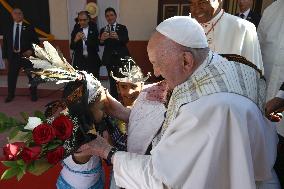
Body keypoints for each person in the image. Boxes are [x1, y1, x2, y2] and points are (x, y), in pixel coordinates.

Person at [77, 16, 278, 188]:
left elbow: (163, 179)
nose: (155, 73)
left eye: (157, 63)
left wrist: (106, 151)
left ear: (186, 61)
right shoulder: (226, 67)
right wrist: (119, 110)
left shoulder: (201, 111)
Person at [189, 0, 263, 73]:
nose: (196, 9)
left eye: (202, 2)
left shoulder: (243, 29)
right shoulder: (189, 27)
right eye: (192, 3)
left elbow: (253, 75)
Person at [2, 8, 39, 103]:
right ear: (12, 15)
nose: (18, 15)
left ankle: (33, 94)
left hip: (26, 56)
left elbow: (36, 42)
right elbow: (5, 43)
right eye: (15, 13)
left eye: (20, 13)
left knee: (31, 76)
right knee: (11, 77)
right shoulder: (8, 27)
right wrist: (5, 57)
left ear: (22, 15)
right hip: (13, 57)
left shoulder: (29, 27)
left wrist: (31, 50)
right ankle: (10, 95)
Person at [99, 7, 130, 100]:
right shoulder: (103, 29)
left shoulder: (122, 27)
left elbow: (126, 40)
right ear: (105, 18)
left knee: (123, 82)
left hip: (122, 59)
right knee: (112, 82)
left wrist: (118, 37)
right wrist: (101, 39)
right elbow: (100, 44)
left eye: (111, 15)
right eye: (107, 16)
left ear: (115, 16)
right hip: (110, 60)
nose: (110, 17)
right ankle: (115, 102)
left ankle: (125, 101)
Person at [70, 11, 101, 78]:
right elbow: (72, 47)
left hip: (92, 60)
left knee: (94, 83)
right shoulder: (76, 28)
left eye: (84, 20)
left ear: (88, 19)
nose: (82, 22)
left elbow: (96, 44)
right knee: (81, 83)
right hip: (79, 61)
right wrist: (75, 39)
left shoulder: (93, 27)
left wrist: (86, 40)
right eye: (80, 20)